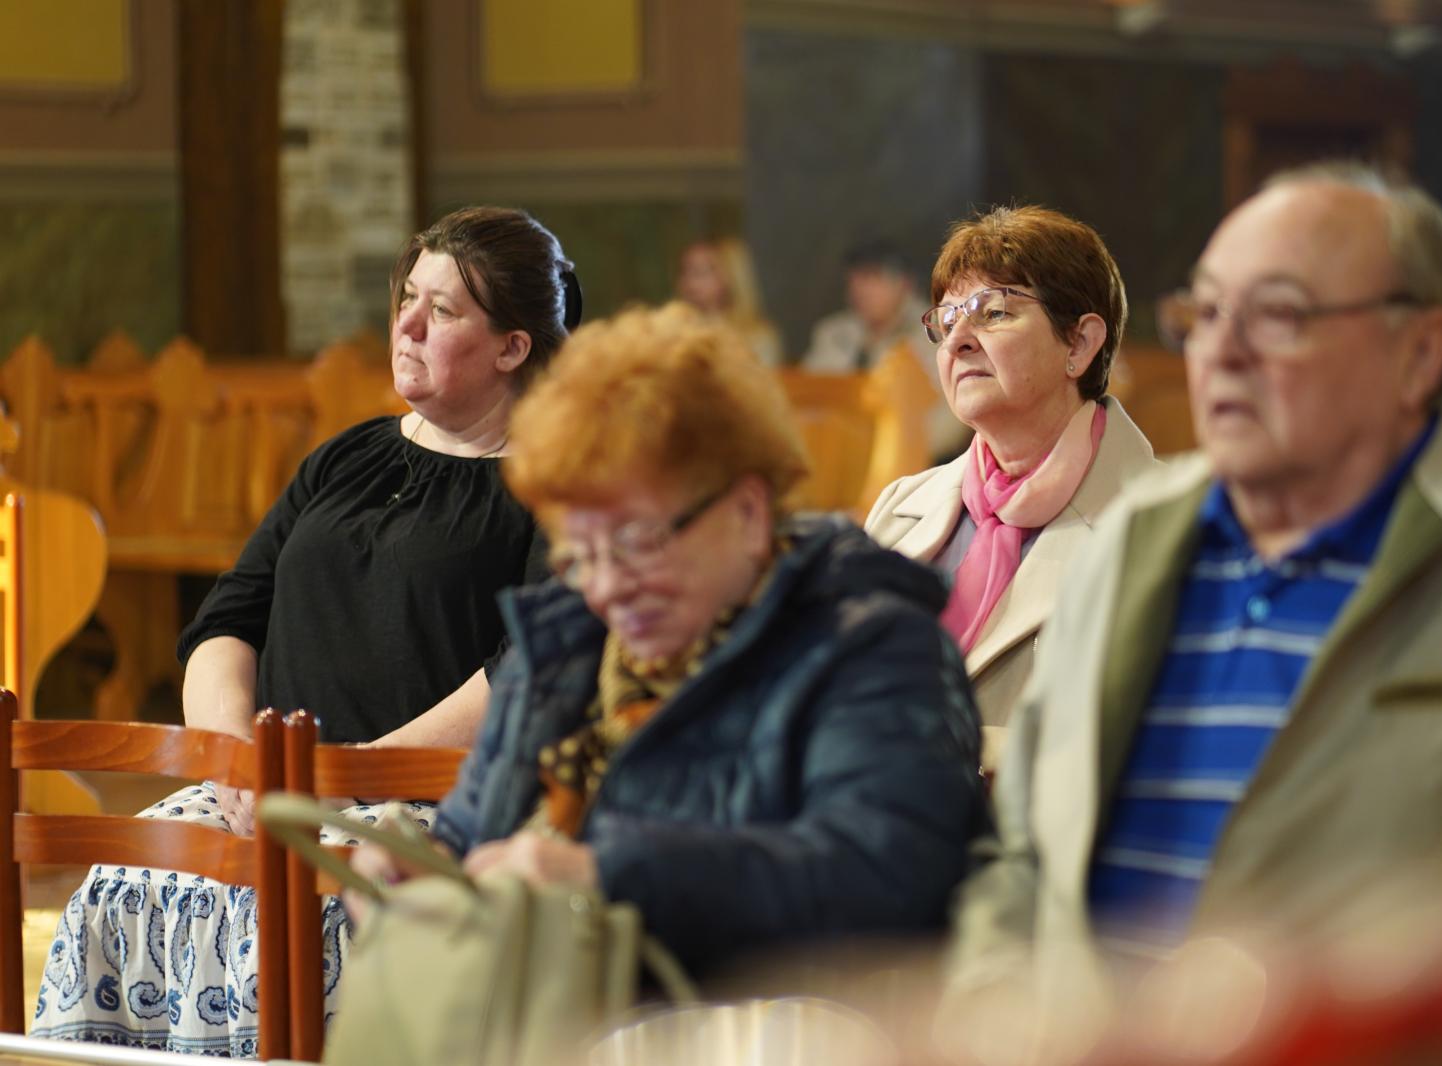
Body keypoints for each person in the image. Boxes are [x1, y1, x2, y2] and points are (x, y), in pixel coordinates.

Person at [946, 162, 1442, 1051]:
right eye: (1207, 314)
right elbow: (1025, 858)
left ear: (1420, 351)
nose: (1222, 352)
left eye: (1281, 315)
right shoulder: (1133, 540)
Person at [33, 206, 582, 1056]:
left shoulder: (559, 486)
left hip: (427, 799)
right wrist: (235, 763)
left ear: (513, 347)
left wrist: (343, 777)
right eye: (407, 297)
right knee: (125, 880)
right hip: (266, 787)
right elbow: (227, 618)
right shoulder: (348, 456)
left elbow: (534, 669)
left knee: (293, 910)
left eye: (441, 310)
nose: (405, 325)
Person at [350, 303, 987, 980]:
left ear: (747, 512)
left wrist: (607, 876)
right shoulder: (562, 647)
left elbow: (890, 877)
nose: (605, 587)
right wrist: (422, 868)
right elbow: (470, 836)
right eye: (580, 555)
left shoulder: (868, 647)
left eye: (636, 542)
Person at [864, 206, 1158, 771]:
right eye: (947, 321)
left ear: (1079, 344)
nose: (957, 341)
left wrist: (954, 750)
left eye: (993, 312)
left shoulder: (1165, 523)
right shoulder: (899, 508)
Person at [801, 239, 970, 459]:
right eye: (855, 280)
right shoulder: (834, 333)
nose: (861, 290)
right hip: (838, 455)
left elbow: (953, 413)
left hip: (913, 460)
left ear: (905, 284)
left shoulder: (935, 332)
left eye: (873, 278)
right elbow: (811, 394)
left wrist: (906, 449)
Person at [674, 237, 783, 367]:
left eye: (702, 271)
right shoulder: (672, 336)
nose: (690, 281)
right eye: (684, 271)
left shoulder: (759, 337)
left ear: (731, 275)